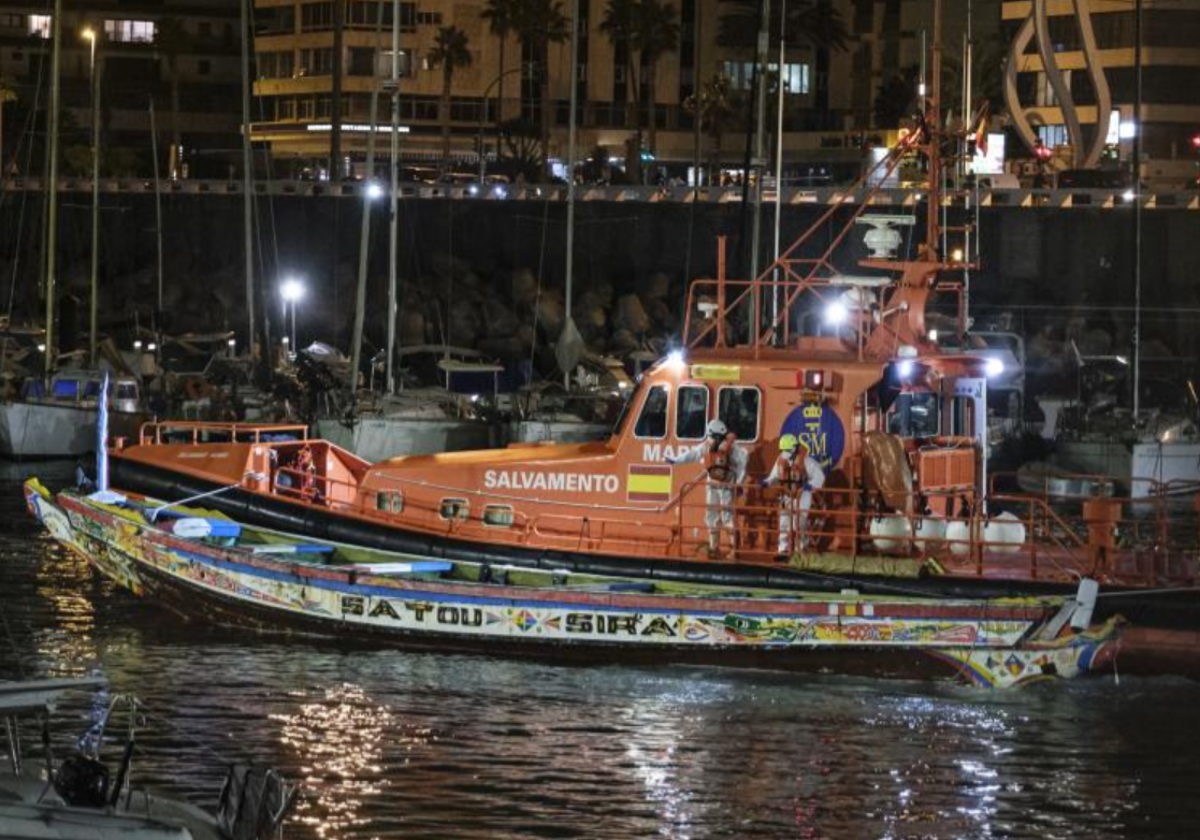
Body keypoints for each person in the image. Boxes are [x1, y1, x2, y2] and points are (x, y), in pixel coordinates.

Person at [668, 419, 748, 557]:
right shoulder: (728, 447)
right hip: (718, 485)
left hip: (724, 485)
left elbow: (692, 454)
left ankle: (730, 549)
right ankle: (716, 548)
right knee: (715, 516)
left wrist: (676, 460)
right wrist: (676, 460)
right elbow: (743, 463)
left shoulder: (728, 447)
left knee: (724, 516)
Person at [763, 434, 826, 557]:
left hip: (802, 493)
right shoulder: (780, 460)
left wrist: (810, 485)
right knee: (784, 522)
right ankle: (783, 550)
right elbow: (774, 476)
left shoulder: (806, 461)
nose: (785, 453)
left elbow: (820, 476)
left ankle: (800, 550)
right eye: (783, 450)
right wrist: (766, 482)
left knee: (800, 522)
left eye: (787, 450)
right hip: (786, 494)